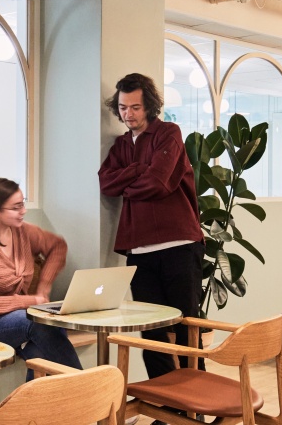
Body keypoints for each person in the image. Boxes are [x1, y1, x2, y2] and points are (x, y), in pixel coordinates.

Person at [98, 73, 206, 384]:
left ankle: (196, 403)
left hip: (180, 244)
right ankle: (168, 406)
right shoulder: (120, 145)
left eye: (135, 107)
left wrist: (127, 183)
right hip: (140, 250)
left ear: (150, 107)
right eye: (122, 108)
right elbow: (106, 182)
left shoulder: (168, 133)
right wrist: (137, 169)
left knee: (188, 326)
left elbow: (158, 182)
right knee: (152, 332)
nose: (128, 114)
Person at [0, 178, 82, 380]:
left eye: (22, 203)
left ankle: (35, 408)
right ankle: (85, 386)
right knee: (39, 322)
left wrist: (44, 288)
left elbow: (57, 247)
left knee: (39, 354)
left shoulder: (22, 232)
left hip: (17, 318)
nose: (23, 211)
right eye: (15, 207)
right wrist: (31, 301)